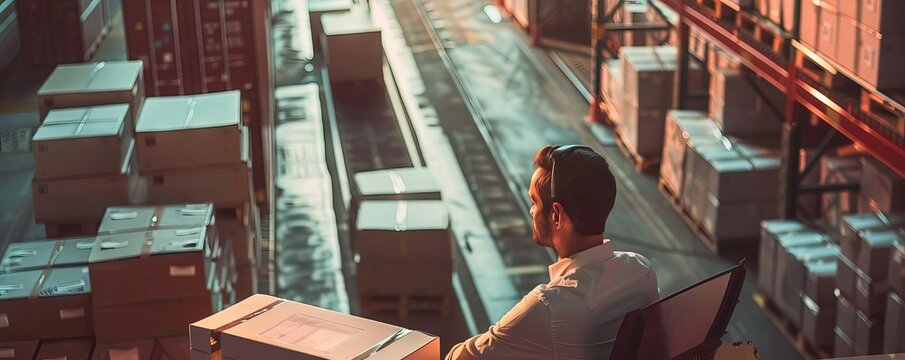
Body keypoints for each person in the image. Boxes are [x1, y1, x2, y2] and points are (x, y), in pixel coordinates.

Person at [446, 145, 659, 360]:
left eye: (534, 201)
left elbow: (462, 358)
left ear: (557, 214)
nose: (531, 211)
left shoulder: (548, 308)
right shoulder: (642, 271)